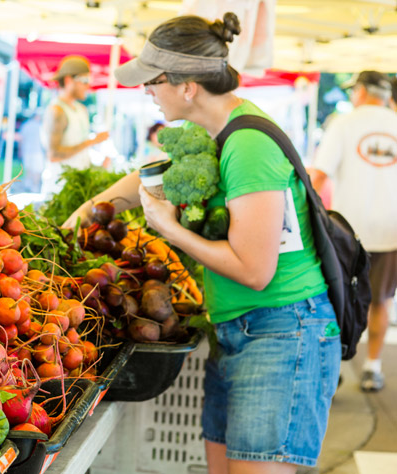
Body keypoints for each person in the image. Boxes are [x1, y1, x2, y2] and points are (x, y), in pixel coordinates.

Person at [65, 12, 339, 474]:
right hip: (242, 331)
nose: (146, 91)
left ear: (187, 86)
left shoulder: (248, 144)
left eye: (152, 81)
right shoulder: (216, 131)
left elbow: (255, 270)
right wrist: (86, 212)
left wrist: (169, 228)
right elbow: (149, 177)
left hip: (282, 331)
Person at [309, 70, 397, 393]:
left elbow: (318, 176)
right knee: (381, 301)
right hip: (392, 230)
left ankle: (334, 366)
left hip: (348, 232)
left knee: (337, 299)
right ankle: (373, 366)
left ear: (360, 91)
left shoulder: (344, 123)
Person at [40, 55, 109, 196]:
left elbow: (79, 156)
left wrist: (98, 167)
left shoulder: (81, 110)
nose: (88, 85)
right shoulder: (57, 111)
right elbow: (54, 155)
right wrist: (92, 141)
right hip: (59, 189)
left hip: (80, 187)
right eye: (84, 80)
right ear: (68, 80)